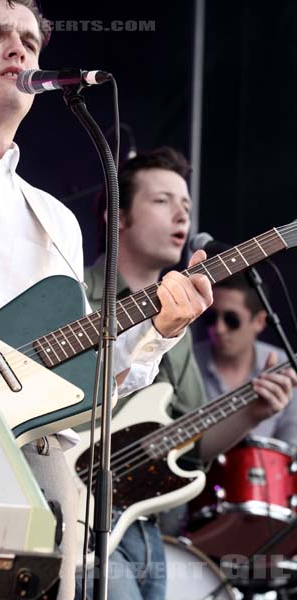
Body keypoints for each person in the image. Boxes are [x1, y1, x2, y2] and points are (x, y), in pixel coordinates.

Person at [0, 3, 215, 600]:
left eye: (30, 42)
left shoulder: (54, 220)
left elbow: (81, 389)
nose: (18, 50)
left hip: (28, 475)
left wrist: (159, 331)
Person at [75, 147, 297, 600]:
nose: (181, 214)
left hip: (146, 527)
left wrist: (252, 411)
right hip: (78, 519)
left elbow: (191, 446)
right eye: (162, 201)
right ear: (117, 217)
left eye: (187, 206)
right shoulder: (75, 296)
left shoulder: (183, 316)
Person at [194, 273, 297, 445]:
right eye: (211, 317)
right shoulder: (186, 363)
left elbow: (292, 448)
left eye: (231, 320)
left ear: (259, 321)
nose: (218, 329)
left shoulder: (285, 367)